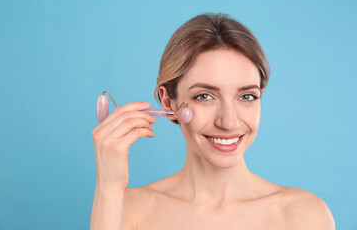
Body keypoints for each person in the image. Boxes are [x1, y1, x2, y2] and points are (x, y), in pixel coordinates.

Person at [90, 13, 335, 229]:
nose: (229, 122)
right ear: (167, 102)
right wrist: (108, 187)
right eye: (204, 96)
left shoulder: (305, 216)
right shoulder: (127, 209)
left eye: (247, 96)